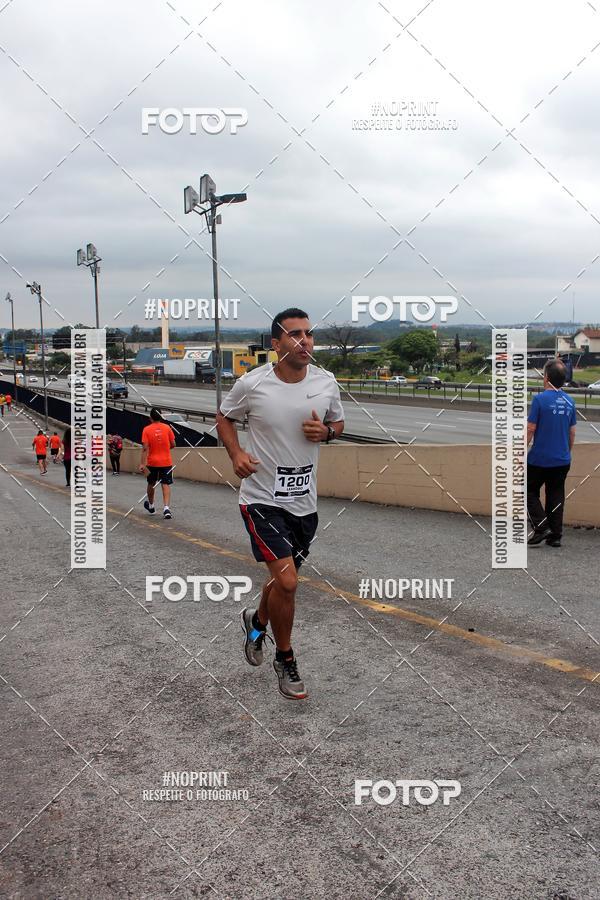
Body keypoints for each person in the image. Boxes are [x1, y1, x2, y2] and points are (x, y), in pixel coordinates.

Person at [216, 308, 345, 700]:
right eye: (294, 334)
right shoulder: (253, 384)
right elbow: (223, 418)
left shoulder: (326, 382)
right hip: (261, 500)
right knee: (288, 581)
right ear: (276, 344)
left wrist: (327, 433)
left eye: (309, 334)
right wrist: (236, 453)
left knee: (279, 584)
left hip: (305, 504)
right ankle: (285, 659)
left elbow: (338, 424)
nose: (304, 341)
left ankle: (256, 622)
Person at [527, 359, 577, 548]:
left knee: (529, 491)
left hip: (540, 459)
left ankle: (541, 527)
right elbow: (572, 432)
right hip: (562, 459)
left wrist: (519, 450)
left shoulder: (539, 400)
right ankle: (555, 535)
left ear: (546, 377)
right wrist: (566, 452)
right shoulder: (570, 401)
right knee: (556, 495)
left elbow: (531, 429)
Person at [139, 408, 175, 519]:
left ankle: (151, 506)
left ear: (150, 418)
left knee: (151, 483)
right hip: (166, 462)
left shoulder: (146, 430)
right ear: (161, 417)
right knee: (165, 484)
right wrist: (165, 447)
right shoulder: (167, 428)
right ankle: (166, 508)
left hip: (152, 462)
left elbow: (145, 448)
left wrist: (142, 464)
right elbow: (173, 444)